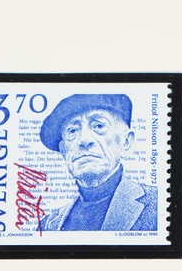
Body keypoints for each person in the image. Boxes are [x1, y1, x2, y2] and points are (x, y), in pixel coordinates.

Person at [38, 93, 158, 231]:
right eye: (72, 131)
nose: (84, 140)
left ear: (126, 142)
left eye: (99, 126)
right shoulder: (47, 225)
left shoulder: (159, 204)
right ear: (63, 151)